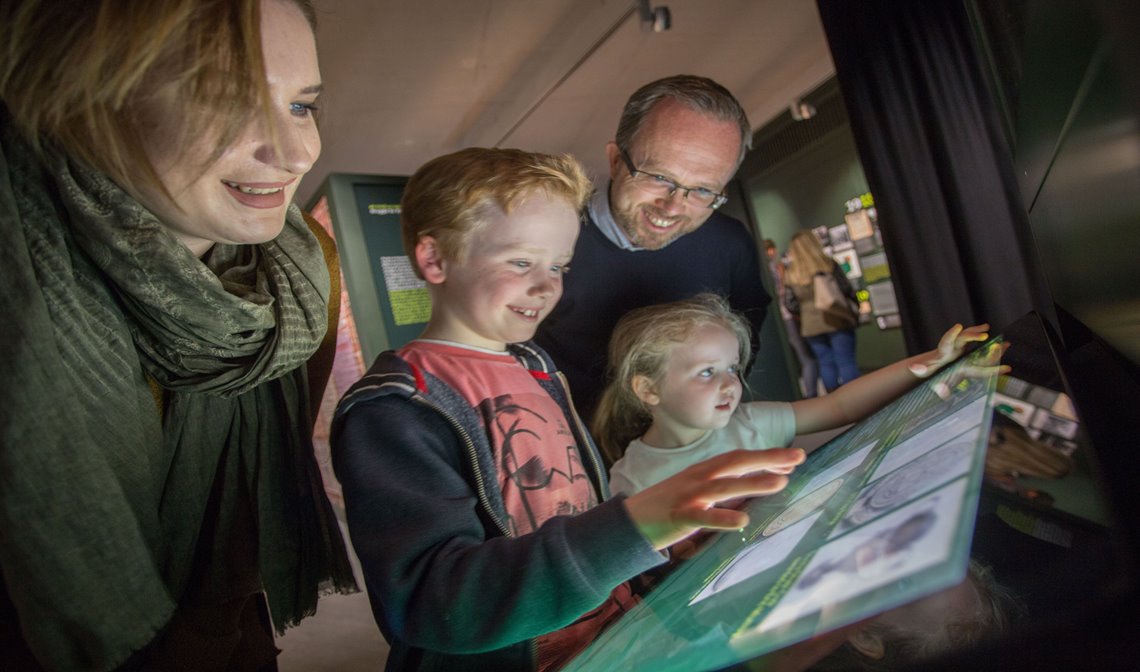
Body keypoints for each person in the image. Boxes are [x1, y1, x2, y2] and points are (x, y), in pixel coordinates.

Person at [330, 148, 805, 672]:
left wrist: (646, 559)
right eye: (520, 262)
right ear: (435, 258)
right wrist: (635, 527)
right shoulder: (396, 407)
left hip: (613, 637)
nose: (547, 285)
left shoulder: (535, 364)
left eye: (559, 265)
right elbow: (433, 602)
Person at [0, 1, 357, 670]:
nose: (292, 150)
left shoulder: (304, 276)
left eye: (302, 106)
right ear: (86, 101)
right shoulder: (20, 274)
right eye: (223, 99)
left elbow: (256, 504)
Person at [534, 74, 771, 425]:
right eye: (659, 177)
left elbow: (745, 344)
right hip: (572, 447)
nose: (673, 207)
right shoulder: (548, 236)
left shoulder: (729, 244)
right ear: (615, 160)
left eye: (704, 191)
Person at [592, 293, 993, 496]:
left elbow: (839, 405)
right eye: (707, 372)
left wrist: (932, 363)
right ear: (648, 389)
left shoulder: (749, 424)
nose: (730, 383)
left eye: (732, 368)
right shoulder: (631, 479)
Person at [784, 230, 861, 391]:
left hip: (811, 325)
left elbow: (790, 303)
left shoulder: (792, 274)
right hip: (836, 317)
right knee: (846, 361)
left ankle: (836, 403)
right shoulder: (827, 264)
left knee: (826, 363)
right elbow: (845, 288)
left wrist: (805, 312)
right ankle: (856, 399)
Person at [765, 238, 820, 398]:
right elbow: (785, 296)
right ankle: (811, 395)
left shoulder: (778, 269)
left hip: (790, 317)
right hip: (790, 317)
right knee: (808, 358)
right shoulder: (777, 269)